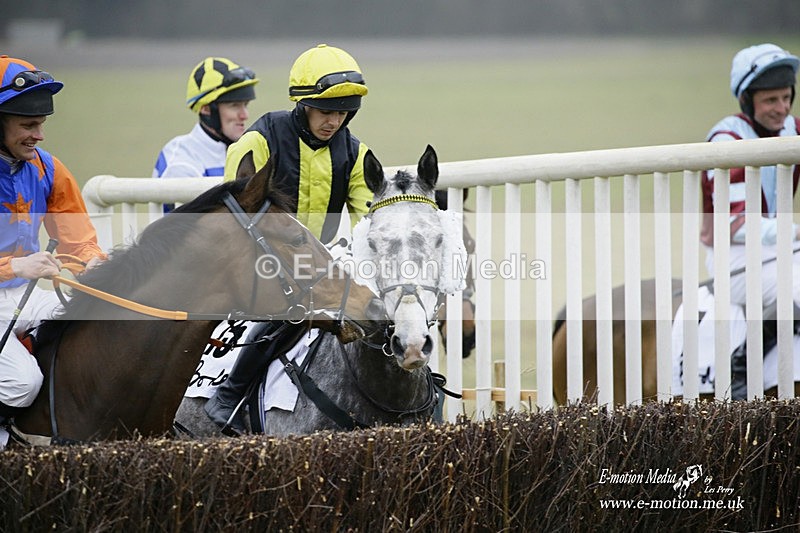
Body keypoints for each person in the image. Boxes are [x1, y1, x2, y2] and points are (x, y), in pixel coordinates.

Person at [204, 44, 373, 433]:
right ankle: (228, 396)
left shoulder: (355, 153)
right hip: (257, 260)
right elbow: (236, 221)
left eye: (344, 112)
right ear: (303, 103)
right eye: (326, 111)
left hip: (318, 264)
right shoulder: (257, 142)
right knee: (292, 305)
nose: (335, 121)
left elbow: (367, 224)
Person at [0, 55, 106, 418]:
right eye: (28, 125)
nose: (39, 135)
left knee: (93, 320)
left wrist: (94, 265)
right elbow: (19, 267)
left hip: (21, 297)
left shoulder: (48, 167)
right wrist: (15, 266)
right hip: (15, 286)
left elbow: (79, 242)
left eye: (41, 124)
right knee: (21, 384)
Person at [699, 43, 800, 399]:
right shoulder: (727, 139)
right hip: (736, 259)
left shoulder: (791, 129)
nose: (782, 108)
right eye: (771, 100)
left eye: (787, 97)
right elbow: (738, 224)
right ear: (748, 101)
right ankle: (741, 367)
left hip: (777, 250)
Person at [153, 57, 259, 210]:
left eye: (245, 105)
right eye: (234, 105)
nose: (244, 115)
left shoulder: (244, 149)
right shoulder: (181, 159)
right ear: (206, 109)